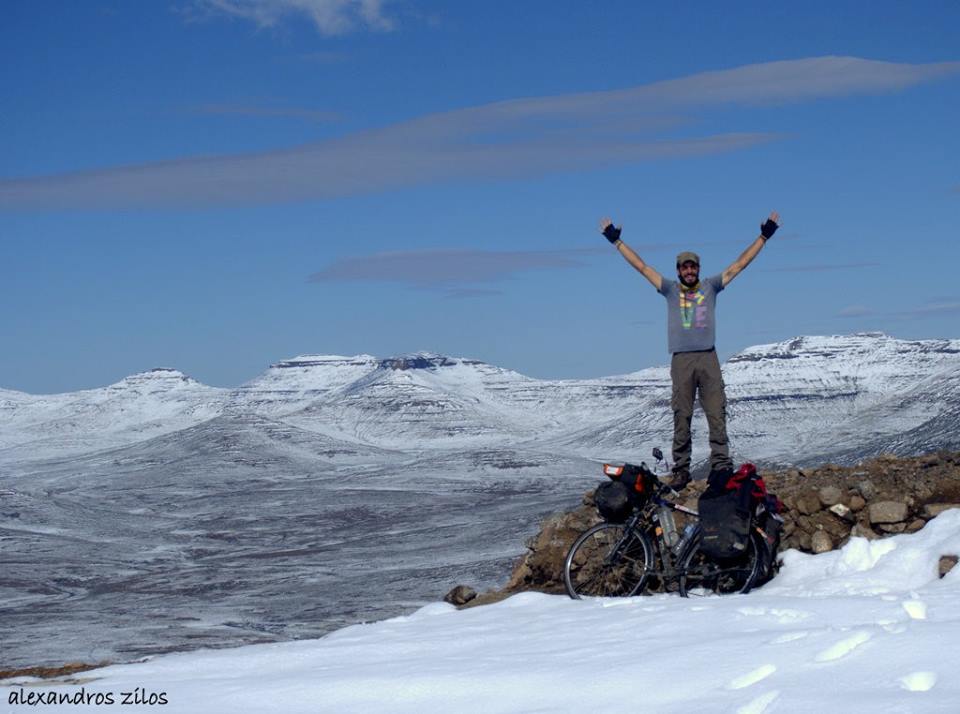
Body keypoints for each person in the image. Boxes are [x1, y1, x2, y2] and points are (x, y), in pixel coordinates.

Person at [598, 211, 781, 489]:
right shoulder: (670, 290)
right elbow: (643, 268)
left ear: (698, 268)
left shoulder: (711, 287)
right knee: (681, 415)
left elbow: (739, 265)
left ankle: (721, 466)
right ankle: (681, 470)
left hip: (708, 356)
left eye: (693, 267)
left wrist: (764, 236)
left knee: (716, 412)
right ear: (678, 270)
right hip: (681, 360)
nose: (689, 271)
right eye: (684, 267)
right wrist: (617, 242)